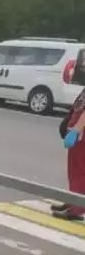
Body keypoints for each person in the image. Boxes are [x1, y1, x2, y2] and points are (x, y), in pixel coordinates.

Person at [54, 59, 85, 221]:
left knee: (80, 171)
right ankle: (73, 201)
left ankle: (77, 207)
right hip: (78, 131)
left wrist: (77, 130)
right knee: (75, 170)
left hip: (82, 134)